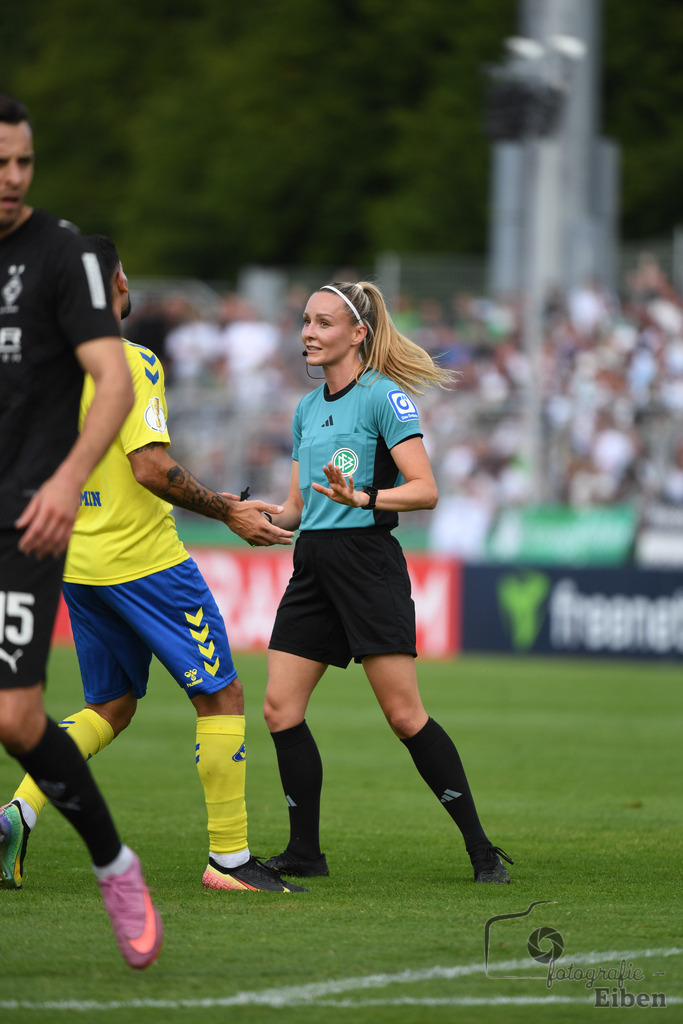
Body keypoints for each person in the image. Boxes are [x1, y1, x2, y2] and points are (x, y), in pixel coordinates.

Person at [1, 234, 307, 894]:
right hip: (145, 563)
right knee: (220, 693)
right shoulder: (129, 362)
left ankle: (17, 813)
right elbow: (150, 468)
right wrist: (227, 512)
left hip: (78, 565)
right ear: (110, 287)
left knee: (109, 704)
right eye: (121, 274)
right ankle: (229, 858)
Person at [262, 281, 513, 884]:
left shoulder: (385, 398)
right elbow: (298, 508)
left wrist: (366, 496)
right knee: (279, 708)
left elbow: (426, 490)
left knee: (404, 715)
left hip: (367, 562)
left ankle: (482, 851)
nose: (309, 332)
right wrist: (250, 515)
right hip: (314, 563)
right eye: (305, 321)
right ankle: (304, 855)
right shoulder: (304, 408)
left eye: (324, 323)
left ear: (357, 334)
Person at [0, 95, 162, 968]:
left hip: (29, 515)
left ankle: (115, 864)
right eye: (1, 165)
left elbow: (114, 378)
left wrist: (65, 479)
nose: (14, 180)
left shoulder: (61, 256)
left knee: (16, 716)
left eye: (23, 163)